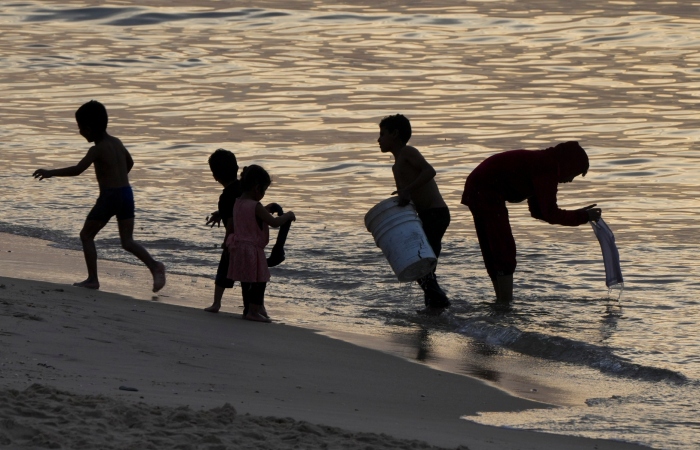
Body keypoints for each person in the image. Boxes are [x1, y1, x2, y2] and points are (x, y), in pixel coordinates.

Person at [32, 100, 166, 292]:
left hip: (110, 196)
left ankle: (93, 279)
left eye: (81, 128)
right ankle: (155, 266)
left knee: (86, 235)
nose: (80, 132)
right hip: (126, 194)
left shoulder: (97, 149)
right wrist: (117, 177)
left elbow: (78, 170)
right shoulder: (117, 142)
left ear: (89, 128)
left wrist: (51, 172)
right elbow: (130, 162)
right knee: (127, 241)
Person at [461, 141, 602, 305]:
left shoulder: (543, 162)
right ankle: (505, 304)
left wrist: (579, 214)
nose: (570, 180)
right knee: (503, 248)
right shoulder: (547, 167)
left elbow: (538, 212)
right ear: (568, 165)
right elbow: (549, 213)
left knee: (494, 248)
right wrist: (583, 217)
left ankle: (501, 301)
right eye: (574, 174)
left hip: (477, 186)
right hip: (485, 190)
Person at [378, 114, 451, 314]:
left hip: (437, 213)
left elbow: (429, 171)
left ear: (395, 134)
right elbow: (406, 198)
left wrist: (408, 189)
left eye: (382, 134)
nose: (378, 140)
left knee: (424, 264)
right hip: (424, 217)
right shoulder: (396, 167)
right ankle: (434, 305)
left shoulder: (408, 152)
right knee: (421, 263)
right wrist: (400, 202)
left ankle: (439, 303)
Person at [203, 150, 291, 314]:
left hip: (235, 242)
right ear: (237, 168)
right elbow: (247, 213)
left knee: (224, 272)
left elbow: (232, 220)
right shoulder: (243, 189)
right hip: (248, 242)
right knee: (254, 278)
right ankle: (257, 307)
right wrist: (286, 216)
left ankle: (217, 303)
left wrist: (225, 241)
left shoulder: (228, 196)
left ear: (214, 176)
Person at [226, 165, 295, 322]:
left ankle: (248, 309)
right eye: (264, 190)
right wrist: (288, 216)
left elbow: (250, 216)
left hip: (238, 247)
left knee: (246, 281)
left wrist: (266, 208)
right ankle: (254, 309)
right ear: (257, 188)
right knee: (259, 280)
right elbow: (274, 222)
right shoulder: (256, 206)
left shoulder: (238, 203)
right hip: (252, 249)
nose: (263, 194)